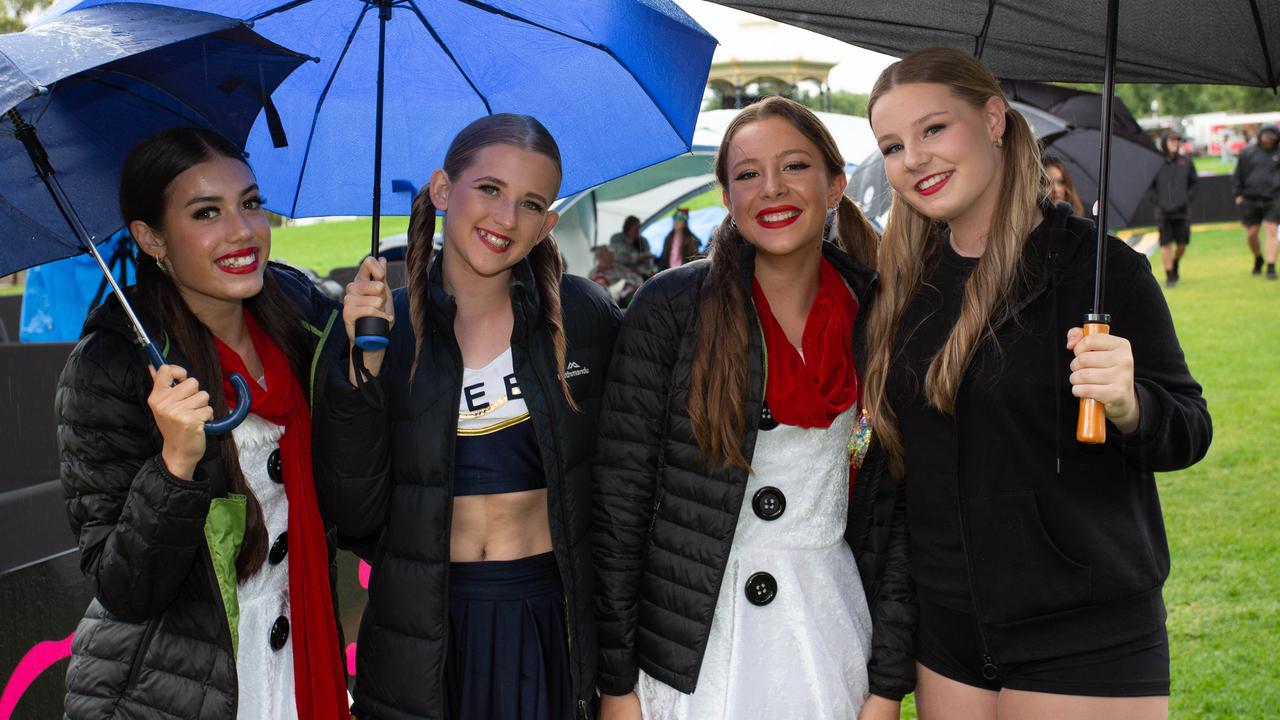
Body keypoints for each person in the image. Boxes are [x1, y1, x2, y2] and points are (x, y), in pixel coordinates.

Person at [865, 48, 1212, 720]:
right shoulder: (903, 288)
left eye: (934, 129)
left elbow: (1188, 430)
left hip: (1082, 633)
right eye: (892, 145)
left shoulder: (1099, 273)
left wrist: (1130, 404)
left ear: (994, 118)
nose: (915, 158)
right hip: (951, 635)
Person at [593, 96, 915, 720]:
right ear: (726, 197)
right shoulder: (671, 309)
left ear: (835, 184)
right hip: (693, 645)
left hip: (825, 632)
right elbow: (619, 509)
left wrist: (886, 687)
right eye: (747, 174)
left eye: (794, 166)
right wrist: (616, 684)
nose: (772, 189)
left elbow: (898, 519)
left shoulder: (881, 316)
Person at [316, 114, 621, 719]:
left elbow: (627, 491)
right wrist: (360, 373)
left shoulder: (584, 318)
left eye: (530, 204)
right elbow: (352, 517)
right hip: (424, 633)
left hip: (549, 623)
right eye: (489, 189)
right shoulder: (377, 329)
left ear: (547, 225)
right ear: (440, 190)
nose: (505, 219)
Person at [57, 127, 350, 720]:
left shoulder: (308, 326)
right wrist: (175, 466)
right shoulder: (111, 367)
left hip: (305, 664)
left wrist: (364, 365)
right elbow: (125, 590)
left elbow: (364, 503)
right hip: (183, 689)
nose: (243, 232)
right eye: (206, 213)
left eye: (250, 203)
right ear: (151, 237)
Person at [1148, 131, 1199, 287]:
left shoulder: (1186, 162)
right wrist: (1158, 201)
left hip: (1182, 212)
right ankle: (1169, 274)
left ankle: (1175, 262)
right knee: (1165, 244)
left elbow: (1194, 183)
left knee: (1182, 244)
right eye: (1172, 141)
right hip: (1163, 212)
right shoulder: (1155, 162)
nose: (1175, 143)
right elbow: (1150, 186)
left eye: (1177, 141)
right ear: (1164, 142)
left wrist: (1186, 198)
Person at [1231, 124, 1280, 277]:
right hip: (1251, 198)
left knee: (1272, 231)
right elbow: (1238, 174)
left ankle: (1271, 266)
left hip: (1274, 197)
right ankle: (1258, 257)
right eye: (1266, 137)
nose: (1268, 140)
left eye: (1272, 137)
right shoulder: (1248, 152)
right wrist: (1238, 193)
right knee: (1252, 233)